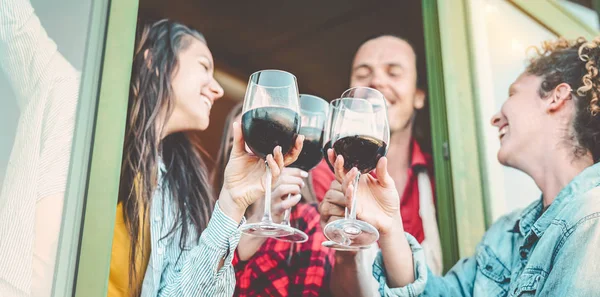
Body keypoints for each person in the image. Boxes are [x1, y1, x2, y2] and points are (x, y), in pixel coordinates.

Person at [321, 36, 600, 296]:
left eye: (512, 93)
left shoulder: (592, 218)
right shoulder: (506, 233)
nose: (495, 117)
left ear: (556, 97)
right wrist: (390, 224)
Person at [107, 20, 304, 297]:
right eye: (203, 66)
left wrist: (232, 203)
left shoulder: (179, 189)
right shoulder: (90, 129)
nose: (218, 89)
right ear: (153, 62)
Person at [312, 34, 442, 294]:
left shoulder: (441, 178)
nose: (377, 81)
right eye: (363, 74)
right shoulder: (319, 176)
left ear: (419, 96)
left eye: (394, 73)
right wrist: (344, 252)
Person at [0, 0, 80, 295]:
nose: (216, 90)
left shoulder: (153, 170)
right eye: (203, 65)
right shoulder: (64, 86)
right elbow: (13, 21)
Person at [213, 103, 334, 297]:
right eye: (235, 143)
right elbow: (200, 285)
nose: (247, 151)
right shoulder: (213, 223)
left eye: (255, 138)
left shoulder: (307, 221)